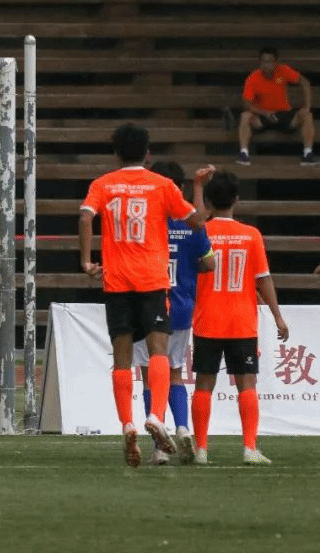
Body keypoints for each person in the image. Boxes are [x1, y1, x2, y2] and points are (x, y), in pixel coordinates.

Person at [79, 123, 207, 467]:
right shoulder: (162, 185)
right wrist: (196, 189)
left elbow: (86, 216)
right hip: (152, 280)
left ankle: (127, 424)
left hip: (117, 282)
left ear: (116, 152)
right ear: (147, 154)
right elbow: (197, 221)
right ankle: (155, 416)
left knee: (122, 358)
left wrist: (86, 261)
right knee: (159, 351)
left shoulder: (103, 184)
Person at [190, 170, 289, 465]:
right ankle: (249, 448)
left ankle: (201, 450)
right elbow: (263, 279)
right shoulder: (251, 235)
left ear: (209, 201)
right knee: (247, 384)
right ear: (236, 199)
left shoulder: (201, 233)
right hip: (241, 321)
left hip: (207, 320)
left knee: (203, 385)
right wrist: (278, 316)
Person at [132, 161, 215, 465]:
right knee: (176, 372)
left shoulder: (146, 221)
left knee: (149, 375)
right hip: (181, 307)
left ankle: (159, 447)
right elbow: (210, 263)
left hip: (148, 305)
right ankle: (182, 428)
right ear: (179, 188)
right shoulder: (192, 224)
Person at [236, 46, 318, 166]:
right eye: (264, 62)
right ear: (260, 63)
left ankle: (308, 154)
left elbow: (305, 82)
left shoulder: (283, 70)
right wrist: (264, 113)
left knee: (307, 114)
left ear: (276, 62)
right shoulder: (253, 78)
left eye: (270, 62)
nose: (267, 65)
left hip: (284, 114)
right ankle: (244, 154)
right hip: (263, 115)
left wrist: (307, 106)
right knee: (245, 115)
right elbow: (246, 104)